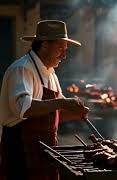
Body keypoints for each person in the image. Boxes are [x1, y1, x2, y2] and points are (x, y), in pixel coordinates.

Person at [0, 20, 89, 180]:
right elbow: (23, 108)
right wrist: (62, 103)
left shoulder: (51, 73)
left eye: (66, 50)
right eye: (60, 48)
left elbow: (55, 113)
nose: (64, 55)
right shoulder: (23, 68)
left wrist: (75, 113)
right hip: (21, 150)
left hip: (46, 151)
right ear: (45, 45)